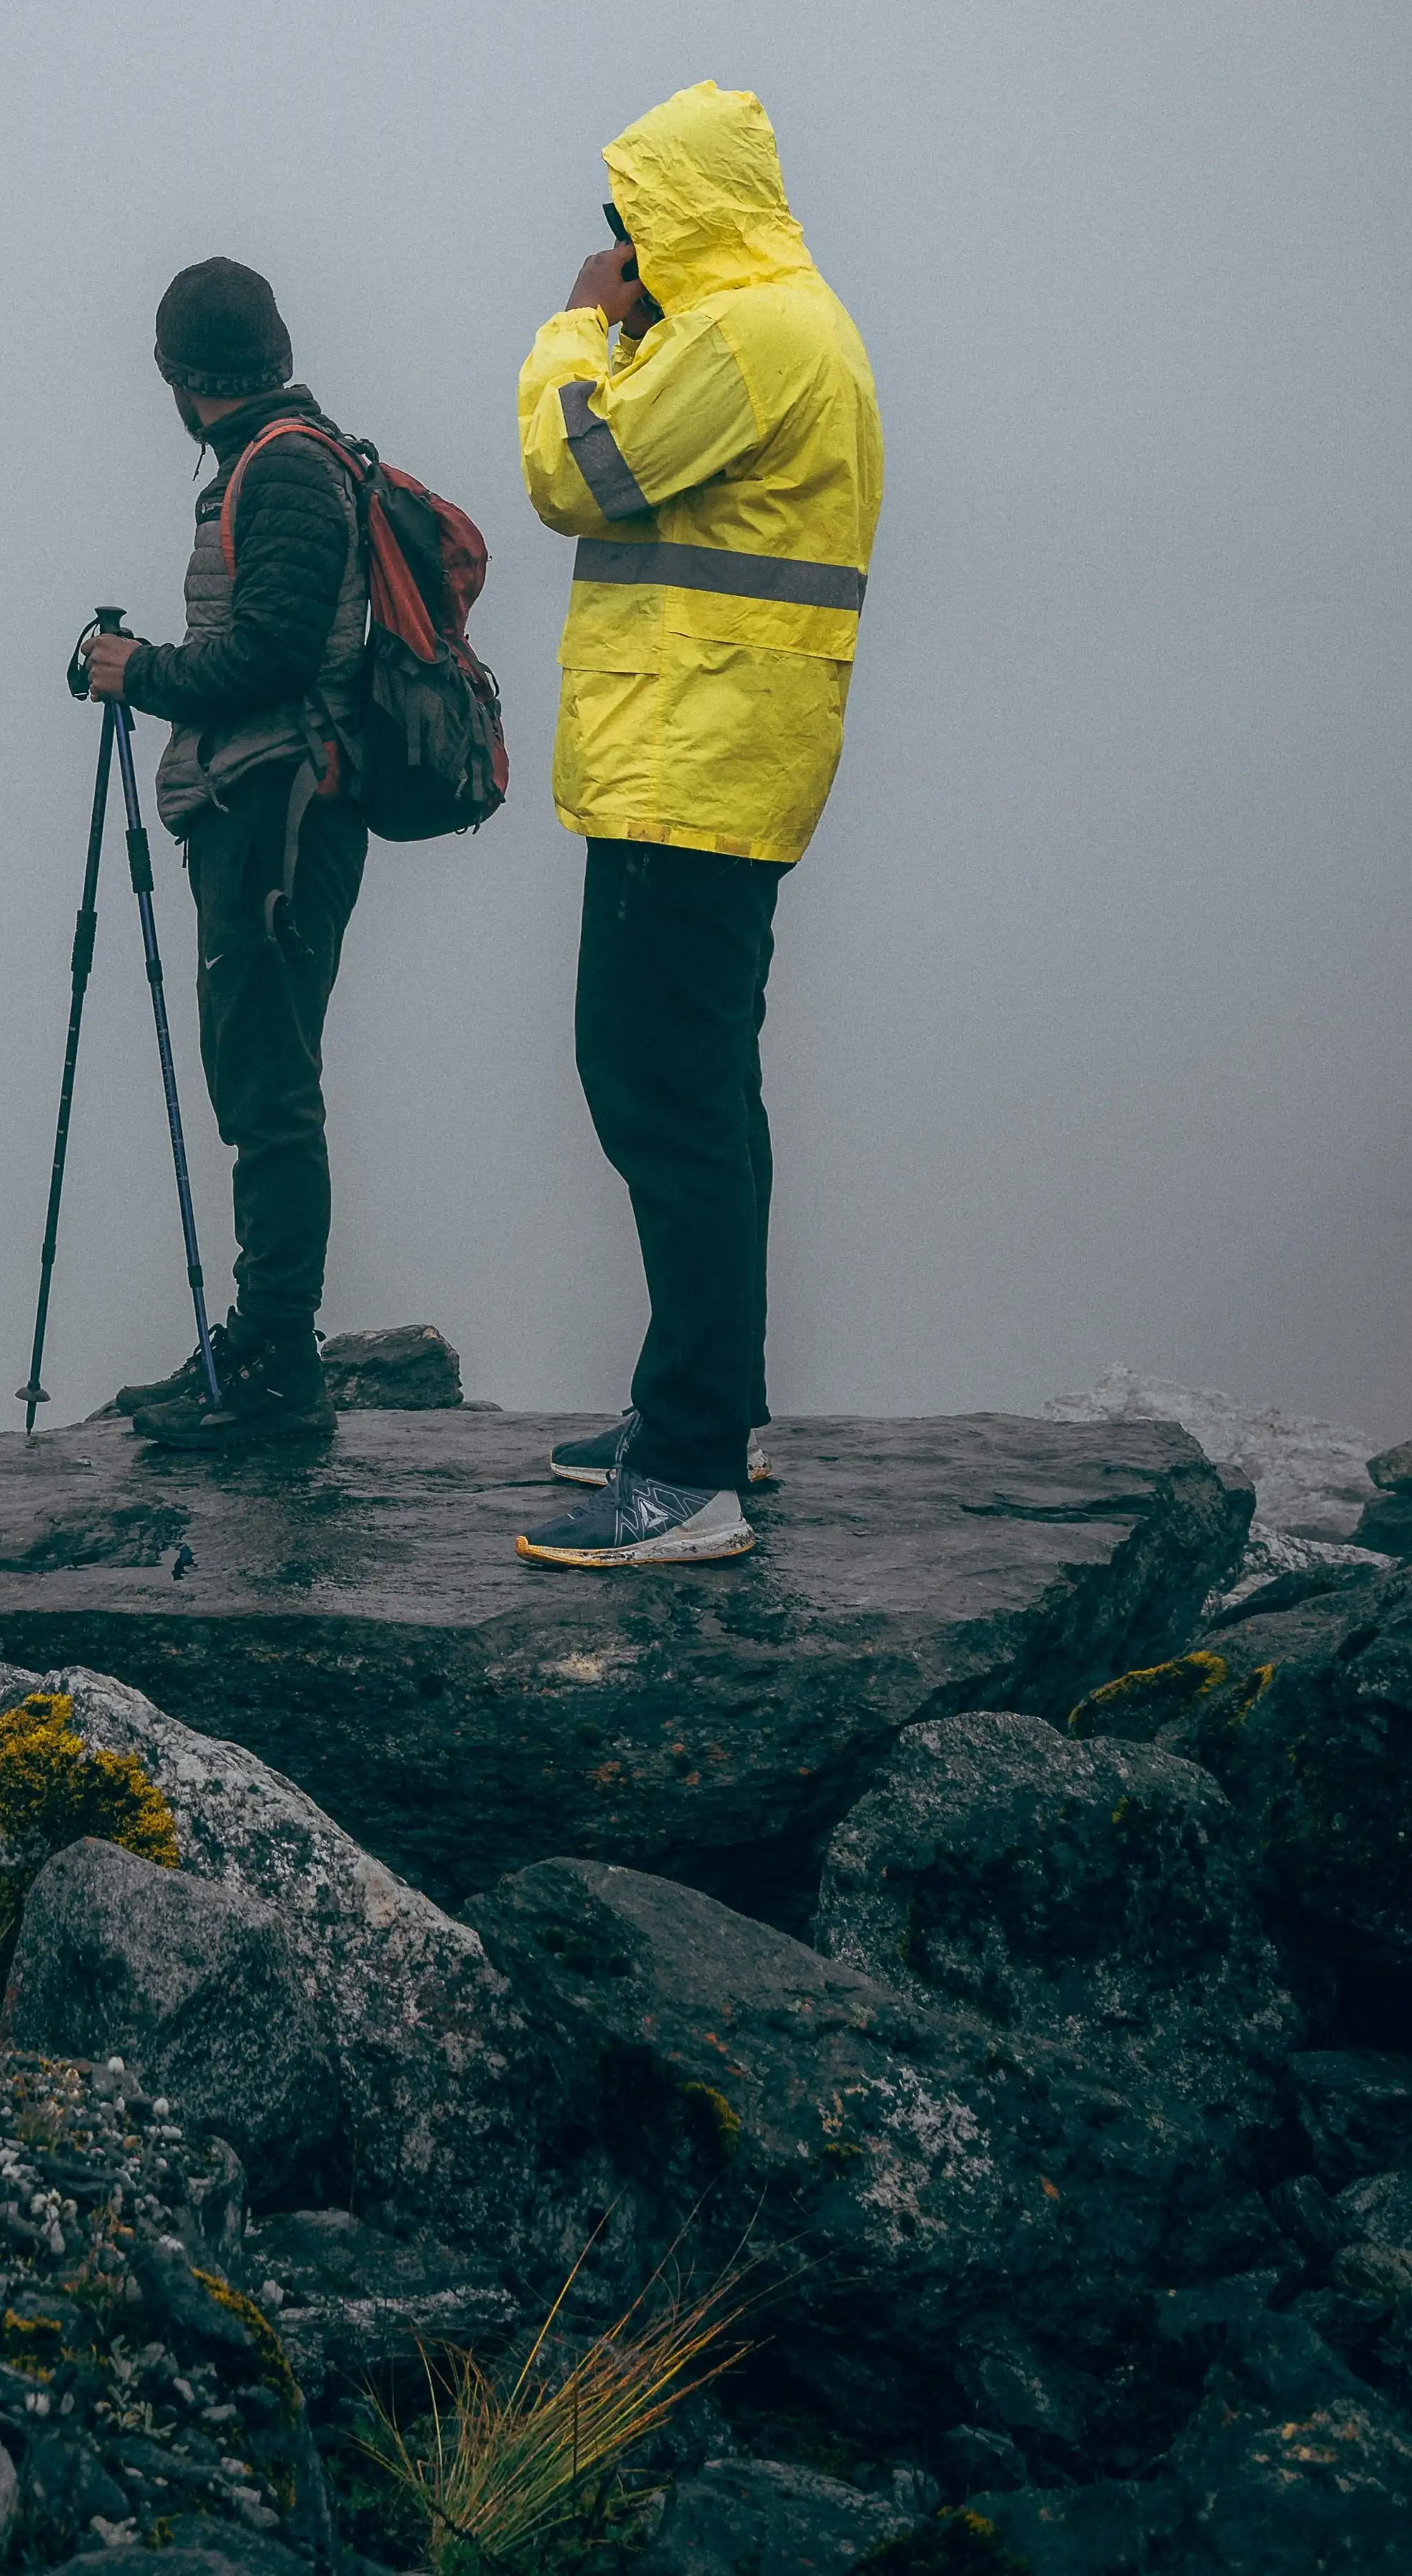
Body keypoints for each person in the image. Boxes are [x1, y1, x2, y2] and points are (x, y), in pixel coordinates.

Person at [509, 83, 881, 1568]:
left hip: (694, 757)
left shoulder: (744, 330)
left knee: (653, 1089)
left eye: (631, 223)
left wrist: (575, 323)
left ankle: (686, 1471)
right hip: (720, 753)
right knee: (705, 1091)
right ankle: (721, 1413)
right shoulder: (789, 321)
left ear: (679, 213)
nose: (620, 247)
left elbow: (573, 473)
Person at [84, 257, 371, 1450]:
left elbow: (270, 658)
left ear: (177, 376)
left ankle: (277, 1360)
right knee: (258, 1072)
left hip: (281, 809)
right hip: (261, 804)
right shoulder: (272, 463)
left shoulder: (288, 469)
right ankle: (265, 1339)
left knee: (268, 1082)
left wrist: (136, 670)